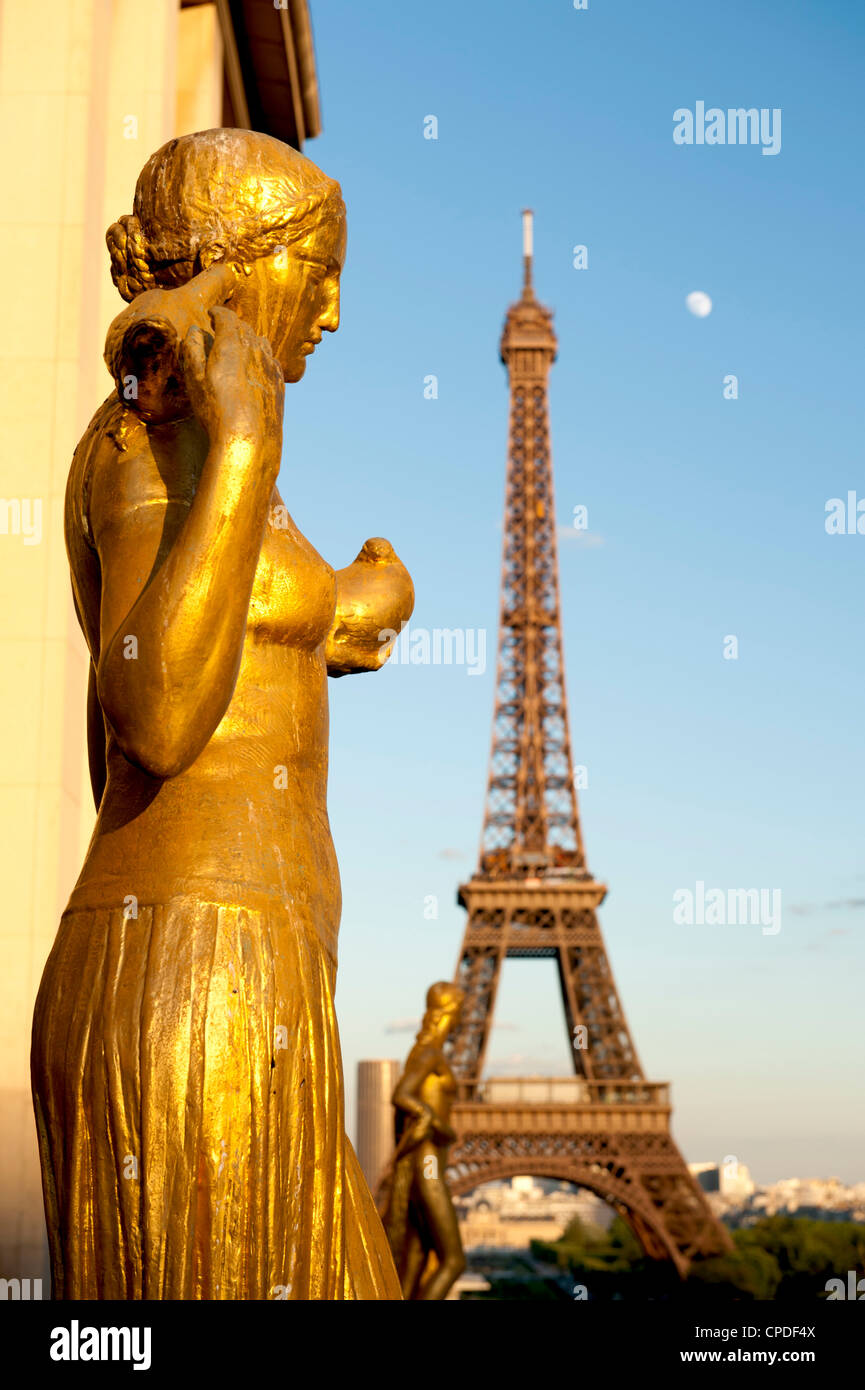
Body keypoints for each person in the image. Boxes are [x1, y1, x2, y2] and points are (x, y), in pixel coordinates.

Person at [31, 129, 412, 1300]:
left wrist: (351, 600)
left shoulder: (191, 445)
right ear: (244, 268)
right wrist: (247, 447)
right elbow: (153, 710)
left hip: (256, 968)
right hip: (194, 974)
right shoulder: (151, 443)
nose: (334, 312)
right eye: (320, 269)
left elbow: (236, 626)